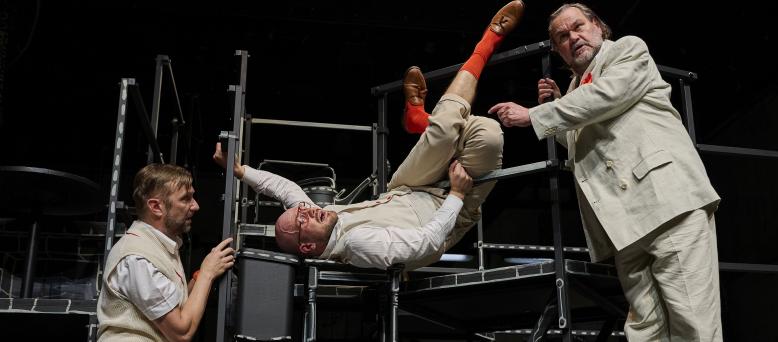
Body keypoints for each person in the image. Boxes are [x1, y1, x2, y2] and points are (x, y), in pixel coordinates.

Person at [213, 1, 523, 270]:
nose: (306, 210)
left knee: (444, 131)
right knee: (489, 132)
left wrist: (240, 171)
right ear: (307, 247)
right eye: (300, 219)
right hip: (453, 209)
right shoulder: (359, 245)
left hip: (408, 187)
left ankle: (489, 39)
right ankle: (421, 121)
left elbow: (286, 190)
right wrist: (456, 194)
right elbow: (428, 243)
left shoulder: (322, 219)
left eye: (301, 211)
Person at [489, 3, 722, 341]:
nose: (574, 37)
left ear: (598, 26)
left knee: (692, 320)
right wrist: (555, 106)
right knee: (645, 328)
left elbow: (607, 95)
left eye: (578, 26)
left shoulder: (628, 49)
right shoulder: (574, 89)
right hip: (621, 223)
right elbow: (581, 141)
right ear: (559, 51)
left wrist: (537, 116)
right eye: (562, 36)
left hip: (667, 202)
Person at [97, 163, 235, 342]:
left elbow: (177, 307)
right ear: (156, 207)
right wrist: (207, 274)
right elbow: (181, 332)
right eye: (186, 199)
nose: (196, 206)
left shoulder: (158, 245)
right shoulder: (137, 258)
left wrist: (202, 275)